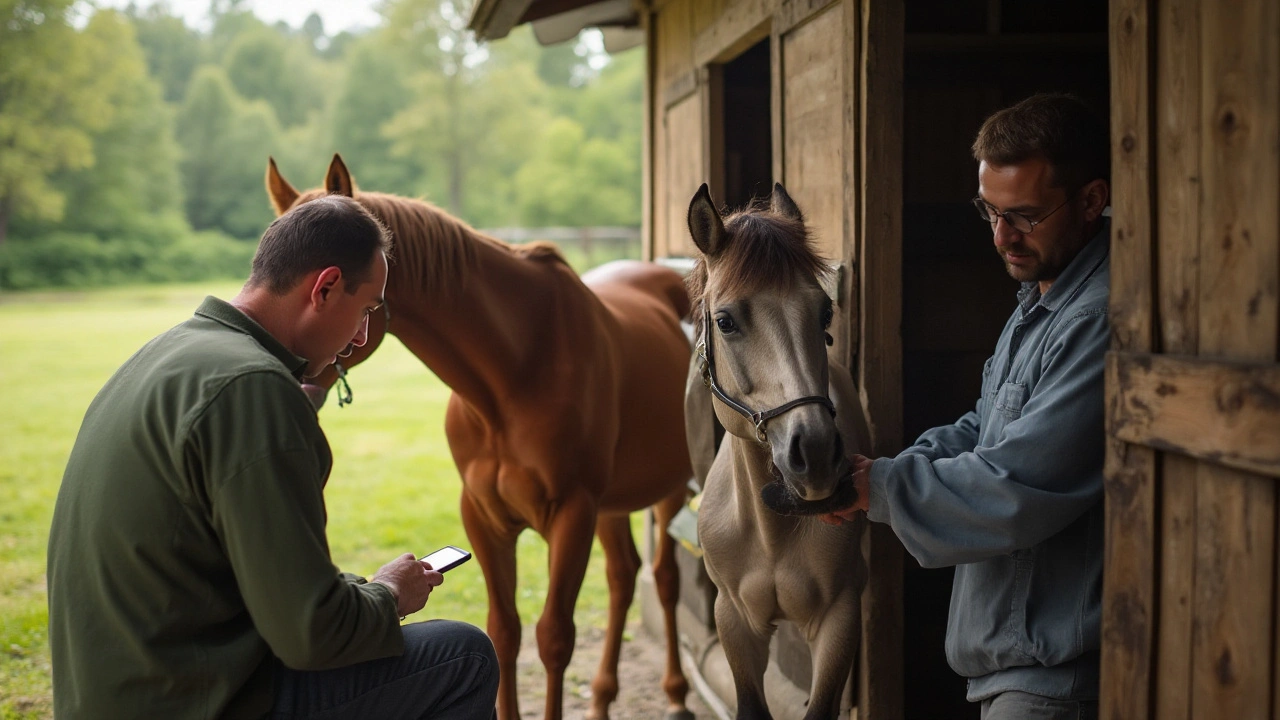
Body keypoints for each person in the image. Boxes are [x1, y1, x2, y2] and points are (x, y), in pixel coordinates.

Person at [47, 195, 499, 719]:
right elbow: (311, 635)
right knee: (461, 656)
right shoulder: (254, 388)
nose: (360, 338)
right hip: (195, 700)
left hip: (121, 692)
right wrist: (389, 597)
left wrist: (364, 590)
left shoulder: (169, 352)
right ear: (325, 288)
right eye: (367, 310)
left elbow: (249, 577)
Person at [824, 93, 1111, 720]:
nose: (1001, 236)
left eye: (1025, 216)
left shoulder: (1095, 319)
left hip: (1055, 683)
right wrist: (872, 476)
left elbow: (1018, 480)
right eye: (989, 211)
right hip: (1015, 669)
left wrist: (886, 487)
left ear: (1092, 200)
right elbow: (985, 428)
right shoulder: (1042, 298)